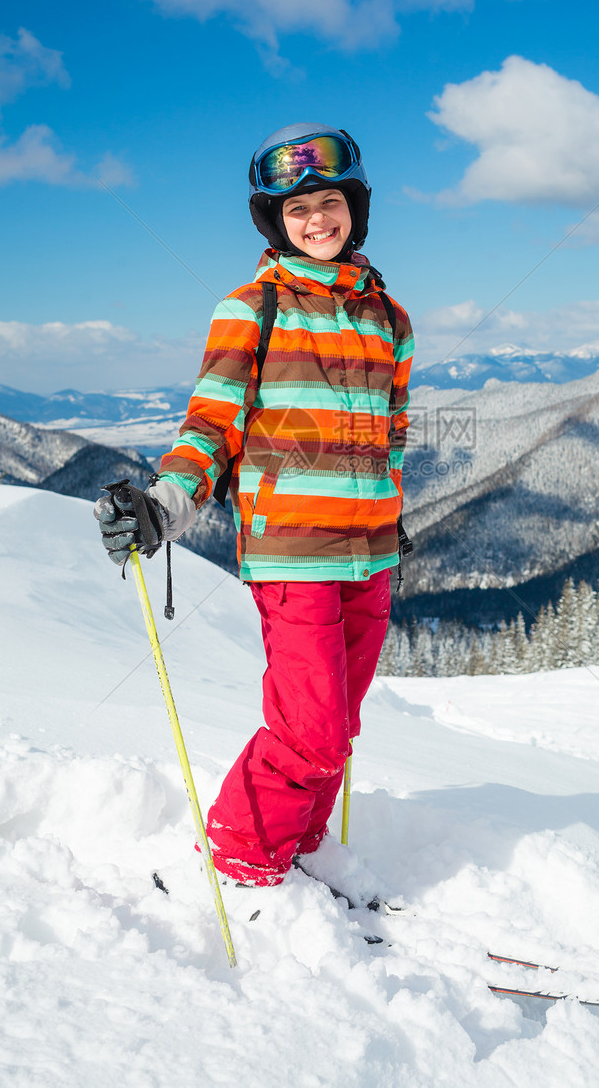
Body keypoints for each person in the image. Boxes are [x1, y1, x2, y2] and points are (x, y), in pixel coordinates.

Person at [94, 123, 413, 890]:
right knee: (310, 729)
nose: (316, 220)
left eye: (330, 201)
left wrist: (389, 509)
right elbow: (212, 422)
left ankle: (298, 853)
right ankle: (238, 869)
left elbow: (390, 435)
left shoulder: (390, 320)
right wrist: (167, 504)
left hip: (369, 553)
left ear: (355, 208)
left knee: (337, 728)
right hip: (292, 553)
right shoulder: (252, 308)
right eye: (297, 208)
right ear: (275, 222)